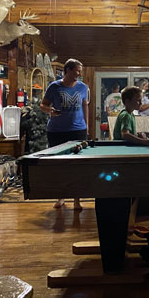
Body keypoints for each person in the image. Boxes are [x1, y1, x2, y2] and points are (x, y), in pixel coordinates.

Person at [41, 58, 89, 210]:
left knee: (77, 166)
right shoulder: (54, 86)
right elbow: (43, 105)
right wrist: (50, 110)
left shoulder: (83, 87)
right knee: (59, 165)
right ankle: (61, 196)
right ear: (68, 70)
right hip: (57, 131)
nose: (79, 74)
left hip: (78, 131)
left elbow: (85, 106)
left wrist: (86, 126)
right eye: (77, 71)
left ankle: (77, 200)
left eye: (80, 71)